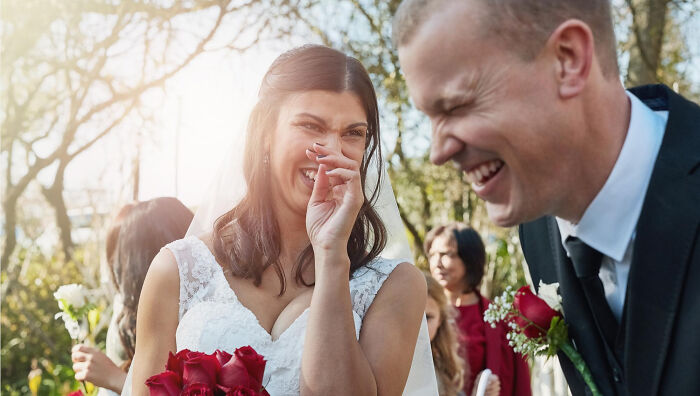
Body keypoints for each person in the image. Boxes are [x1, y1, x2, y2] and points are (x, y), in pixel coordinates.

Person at [393, 0, 700, 395]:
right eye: (429, 119)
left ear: (567, 60)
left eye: (456, 105)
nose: (438, 152)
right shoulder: (536, 226)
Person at [126, 45, 438, 395]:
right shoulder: (177, 270)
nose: (331, 152)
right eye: (310, 125)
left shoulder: (395, 287)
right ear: (264, 134)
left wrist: (332, 254)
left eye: (353, 133)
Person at [71, 198, 193, 395]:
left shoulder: (198, 322)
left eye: (120, 258)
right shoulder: (125, 313)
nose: (117, 271)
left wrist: (115, 378)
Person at [425, 224, 529, 396]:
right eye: (432, 255)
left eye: (446, 254)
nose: (436, 263)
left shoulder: (502, 318)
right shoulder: (421, 314)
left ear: (469, 259)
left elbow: (521, 384)